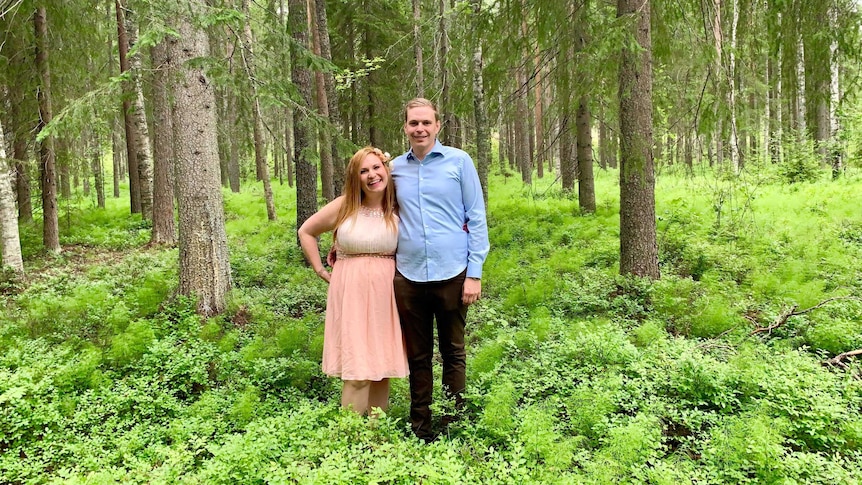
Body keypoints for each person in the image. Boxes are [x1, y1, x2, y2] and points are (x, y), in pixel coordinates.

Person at [390, 98, 490, 441]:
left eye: (426, 123)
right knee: (418, 356)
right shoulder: (393, 169)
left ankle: (453, 423)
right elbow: (372, 209)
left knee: (453, 352)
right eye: (413, 123)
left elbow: (476, 217)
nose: (420, 129)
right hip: (409, 277)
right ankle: (421, 428)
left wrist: (474, 273)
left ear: (437, 125)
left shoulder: (459, 162)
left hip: (453, 273)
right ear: (404, 127)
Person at [298, 146, 409, 415]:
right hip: (351, 292)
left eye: (376, 167)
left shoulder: (398, 206)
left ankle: (375, 432)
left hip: (386, 292)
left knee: (381, 368)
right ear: (355, 177)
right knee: (357, 370)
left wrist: (388, 161)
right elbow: (306, 231)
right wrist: (320, 270)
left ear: (386, 169)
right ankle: (352, 438)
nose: (372, 175)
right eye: (363, 171)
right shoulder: (345, 205)